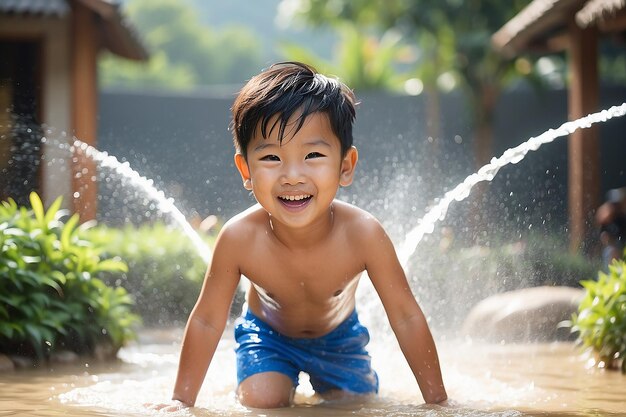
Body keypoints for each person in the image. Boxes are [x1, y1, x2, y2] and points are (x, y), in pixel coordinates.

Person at [154, 62, 448, 410]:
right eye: (271, 157)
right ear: (246, 170)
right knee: (261, 401)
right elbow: (206, 319)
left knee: (356, 404)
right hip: (268, 337)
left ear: (345, 166)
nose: (292, 175)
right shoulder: (239, 239)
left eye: (313, 155)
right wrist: (181, 401)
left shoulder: (363, 235)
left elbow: (405, 315)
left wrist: (438, 402)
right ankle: (263, 379)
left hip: (340, 340)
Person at [596, 187, 626, 269]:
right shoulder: (605, 219)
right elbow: (602, 236)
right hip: (610, 249)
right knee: (611, 252)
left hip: (621, 248)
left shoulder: (621, 218)